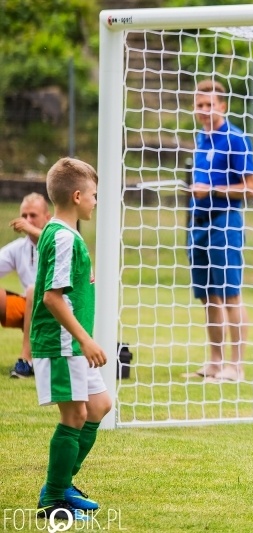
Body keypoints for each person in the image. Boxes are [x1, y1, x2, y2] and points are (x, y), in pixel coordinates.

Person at [31, 157, 112, 521]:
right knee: (76, 413)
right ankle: (54, 497)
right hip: (63, 342)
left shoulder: (62, 231)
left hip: (73, 343)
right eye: (94, 195)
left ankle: (61, 484)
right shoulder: (63, 237)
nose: (97, 201)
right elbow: (52, 297)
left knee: (98, 405)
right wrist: (86, 340)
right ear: (77, 196)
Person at [186, 79, 253, 383]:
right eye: (199, 105)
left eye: (210, 105)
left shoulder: (235, 139)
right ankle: (215, 361)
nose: (204, 110)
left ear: (222, 106)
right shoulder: (200, 139)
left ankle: (236, 366)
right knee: (208, 297)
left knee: (230, 296)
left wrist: (212, 190)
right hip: (198, 225)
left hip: (225, 222)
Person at [0, 193, 51, 378]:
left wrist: (31, 229)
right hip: (30, 310)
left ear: (48, 217)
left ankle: (26, 361)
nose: (27, 220)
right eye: (24, 216)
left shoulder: (58, 239)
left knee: (33, 289)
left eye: (33, 215)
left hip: (58, 310)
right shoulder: (19, 247)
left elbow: (52, 240)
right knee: (29, 292)